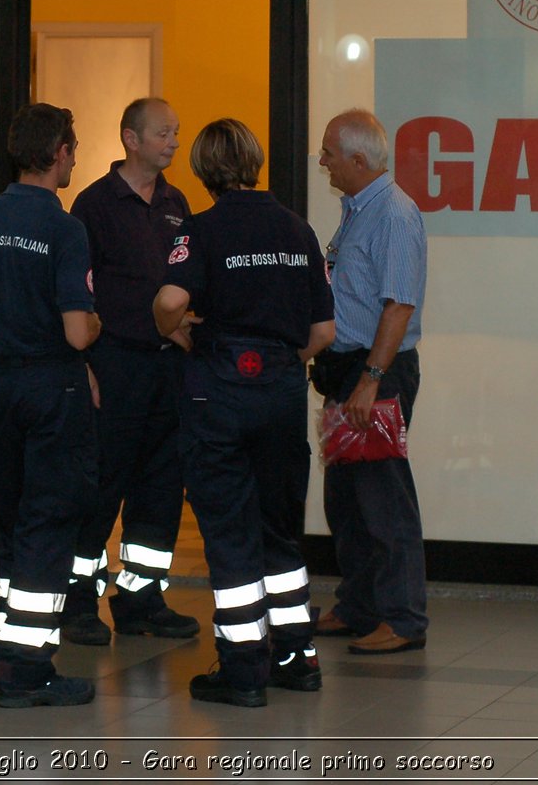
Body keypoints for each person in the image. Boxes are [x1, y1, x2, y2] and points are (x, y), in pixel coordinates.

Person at [153, 118, 335, 707]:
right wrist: (280, 359)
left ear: (204, 171)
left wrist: (175, 330)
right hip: (281, 388)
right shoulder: (298, 230)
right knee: (279, 530)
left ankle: (243, 670)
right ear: (255, 163)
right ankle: (297, 657)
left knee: (230, 533)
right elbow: (324, 331)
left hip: (221, 390)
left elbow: (172, 299)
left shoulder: (197, 231)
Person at [0, 103, 103, 709]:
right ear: (58, 151)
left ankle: (10, 653)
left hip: (2, 389)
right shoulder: (64, 230)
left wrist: (4, 326)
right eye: (74, 147)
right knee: (49, 522)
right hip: (53, 390)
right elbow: (77, 334)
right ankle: (30, 670)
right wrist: (95, 320)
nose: (76, 157)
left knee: (11, 519)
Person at [62, 98, 199, 646]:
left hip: (168, 369)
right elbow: (74, 292)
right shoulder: (93, 206)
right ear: (130, 139)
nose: (173, 141)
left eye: (177, 132)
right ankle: (77, 602)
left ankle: (142, 599)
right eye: (164, 132)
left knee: (162, 487)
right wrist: (84, 367)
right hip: (115, 365)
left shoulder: (176, 202)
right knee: (101, 486)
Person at [311, 109, 429, 655]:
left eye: (330, 153)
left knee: (384, 499)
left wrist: (370, 381)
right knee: (347, 501)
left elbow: (398, 304)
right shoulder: (358, 209)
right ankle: (358, 606)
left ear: (359, 161)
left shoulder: (394, 216)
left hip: (376, 371)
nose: (322, 160)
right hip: (349, 368)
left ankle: (402, 619)